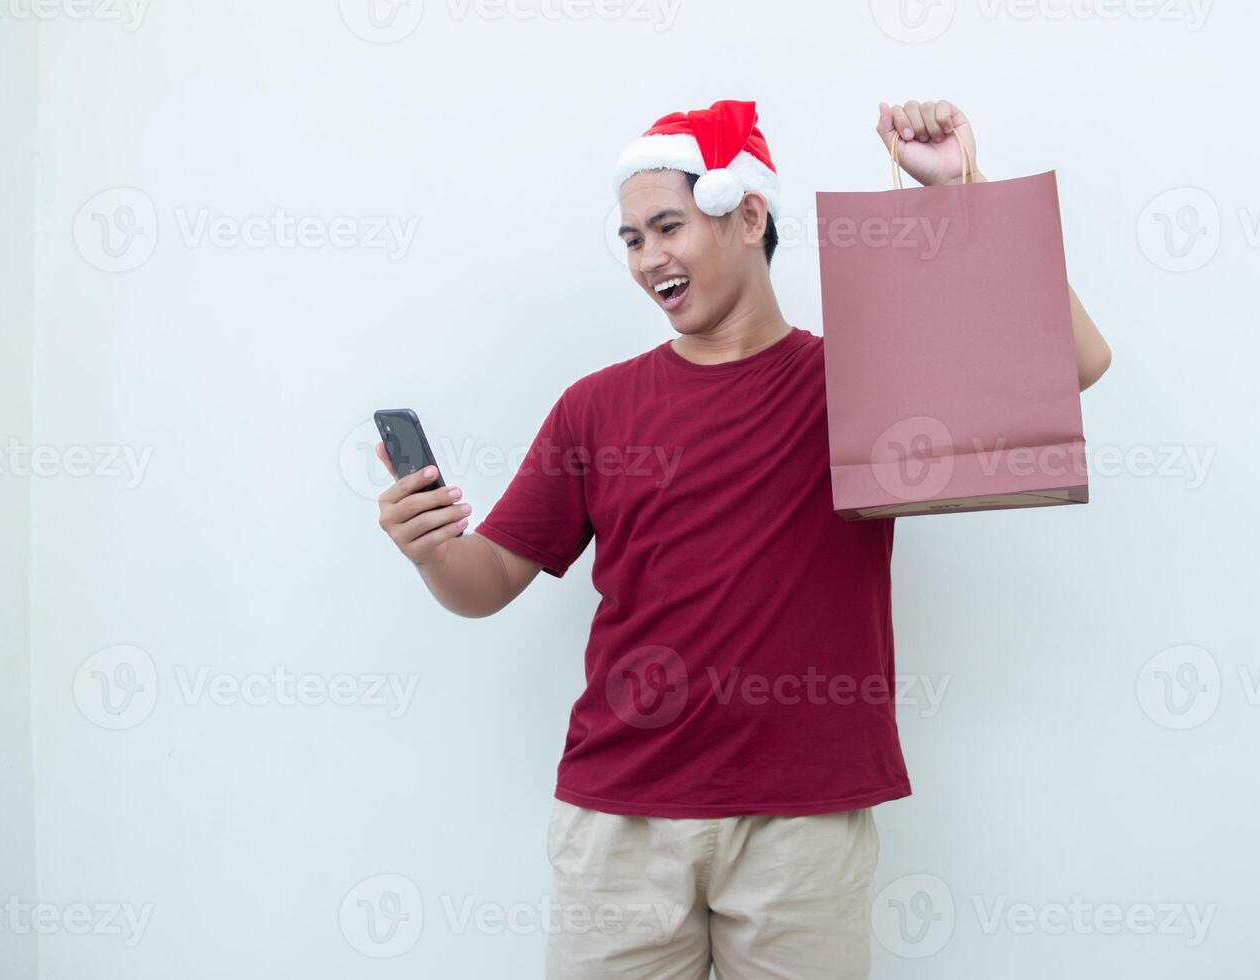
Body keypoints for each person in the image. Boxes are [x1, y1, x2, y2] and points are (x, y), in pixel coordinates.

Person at [374, 98, 1111, 979]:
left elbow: (1072, 364)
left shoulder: (857, 383)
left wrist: (962, 190)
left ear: (748, 212)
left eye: (667, 227)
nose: (649, 258)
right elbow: (486, 579)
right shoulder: (597, 406)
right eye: (631, 239)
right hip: (622, 826)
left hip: (803, 829)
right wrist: (431, 550)